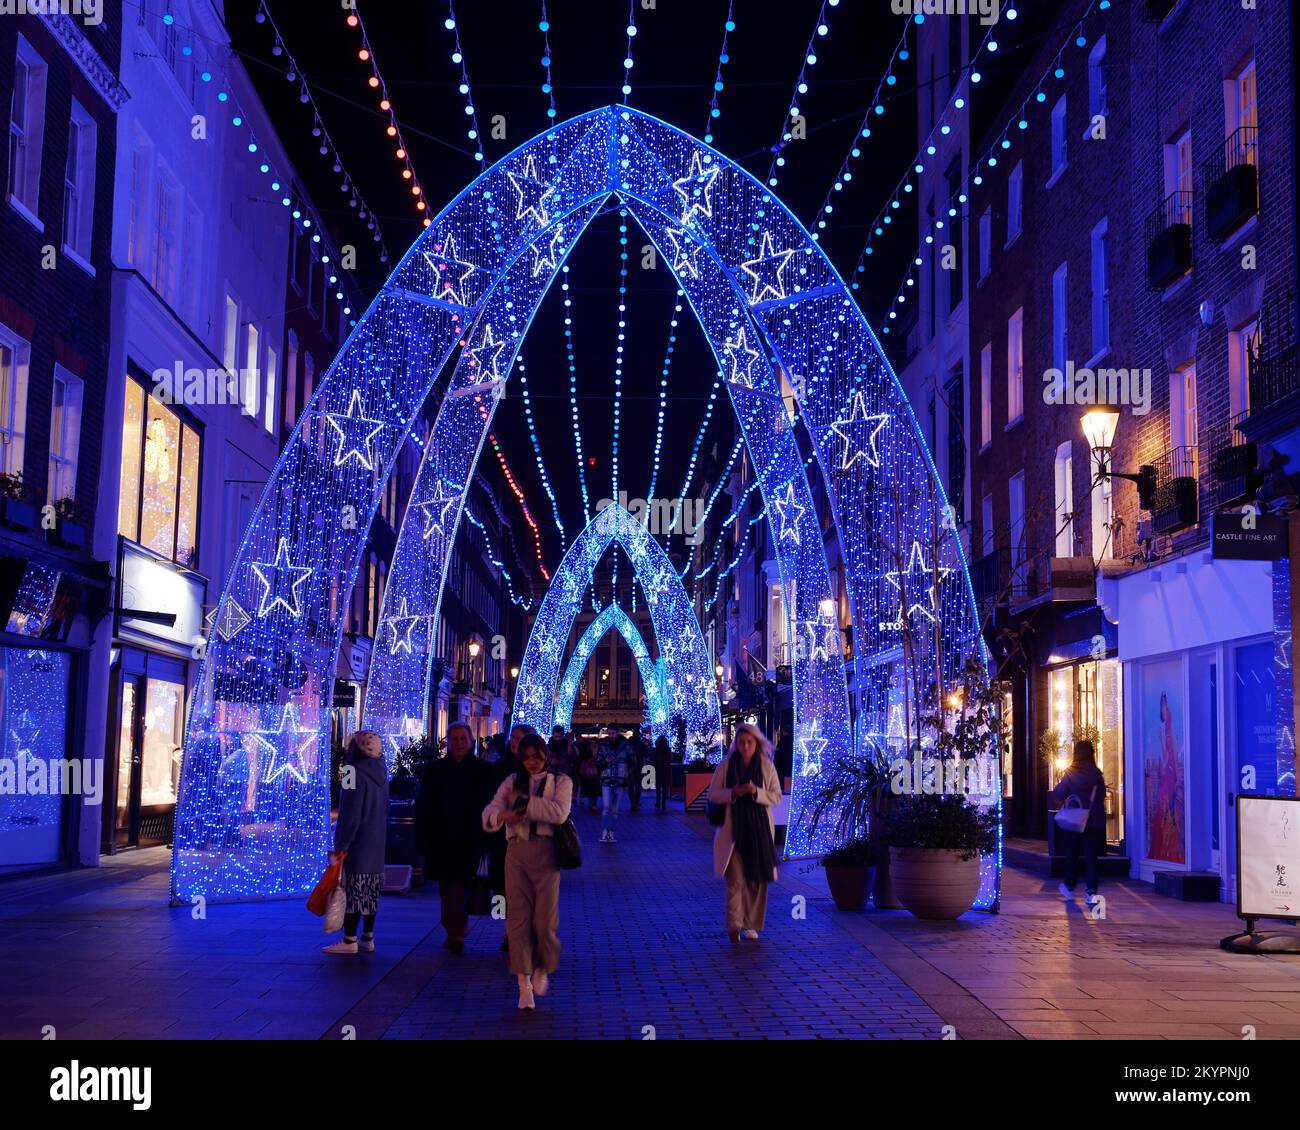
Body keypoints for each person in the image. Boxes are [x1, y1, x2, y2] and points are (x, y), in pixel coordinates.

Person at [482, 733, 573, 1011]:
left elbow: (559, 813)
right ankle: (524, 984)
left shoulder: (561, 782)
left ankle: (543, 965)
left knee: (544, 921)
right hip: (517, 852)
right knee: (518, 920)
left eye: (537, 756)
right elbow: (490, 811)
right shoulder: (510, 781)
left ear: (546, 755)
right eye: (527, 757)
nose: (532, 762)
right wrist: (501, 816)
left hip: (547, 854)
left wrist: (521, 804)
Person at [415, 721, 497, 953]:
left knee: (460, 887)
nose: (459, 743)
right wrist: (422, 838)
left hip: (471, 840)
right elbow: (424, 806)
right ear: (448, 742)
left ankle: (456, 933)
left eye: (463, 738)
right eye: (455, 739)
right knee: (445, 888)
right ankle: (452, 926)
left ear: (471, 741)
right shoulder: (435, 770)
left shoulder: (484, 771)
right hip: (442, 840)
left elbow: (491, 804)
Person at [708, 723, 781, 944]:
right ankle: (734, 924)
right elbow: (713, 795)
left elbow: (776, 796)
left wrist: (755, 792)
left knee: (757, 880)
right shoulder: (726, 766)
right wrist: (734, 792)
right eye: (741, 742)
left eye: (749, 742)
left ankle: (751, 925)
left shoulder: (767, 767)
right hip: (734, 832)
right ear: (736, 744)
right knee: (736, 880)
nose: (745, 746)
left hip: (759, 833)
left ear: (757, 743)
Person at [323, 731, 389, 956]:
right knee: (370, 891)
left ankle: (349, 939)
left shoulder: (352, 772)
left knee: (351, 889)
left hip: (358, 843)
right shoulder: (382, 772)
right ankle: (367, 937)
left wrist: (342, 843)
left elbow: (349, 812)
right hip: (376, 841)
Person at [1050, 738, 1108, 906]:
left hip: (1075, 819)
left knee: (1072, 854)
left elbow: (1059, 794)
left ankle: (1069, 887)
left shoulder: (1071, 772)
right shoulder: (1097, 775)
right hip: (1094, 820)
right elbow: (1101, 795)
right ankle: (1091, 892)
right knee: (1091, 857)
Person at [596, 727, 630, 843]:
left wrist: (627, 773)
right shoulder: (604, 747)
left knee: (615, 809)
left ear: (617, 733)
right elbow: (598, 763)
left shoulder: (626, 746)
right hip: (607, 780)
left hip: (620, 781)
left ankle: (611, 833)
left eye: (613, 733)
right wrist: (605, 761)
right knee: (606, 808)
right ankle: (605, 832)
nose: (611, 735)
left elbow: (633, 761)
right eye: (609, 733)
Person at [627, 729, 650, 812]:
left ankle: (632, 802)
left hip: (630, 767)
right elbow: (646, 754)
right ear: (639, 735)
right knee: (638, 786)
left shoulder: (628, 743)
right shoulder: (641, 743)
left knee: (630, 786)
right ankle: (636, 802)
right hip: (639, 767)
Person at [577, 740, 600, 811]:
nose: (594, 746)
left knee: (595, 788)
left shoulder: (599, 751)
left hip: (595, 772)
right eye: (593, 745)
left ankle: (593, 803)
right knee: (589, 787)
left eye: (595, 745)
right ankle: (591, 803)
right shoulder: (586, 752)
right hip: (588, 772)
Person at [652, 734, 673, 811]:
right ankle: (663, 804)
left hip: (658, 770)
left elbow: (653, 760)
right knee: (665, 788)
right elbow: (670, 759)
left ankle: (658, 802)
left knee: (658, 788)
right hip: (666, 771)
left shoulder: (656, 750)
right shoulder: (668, 749)